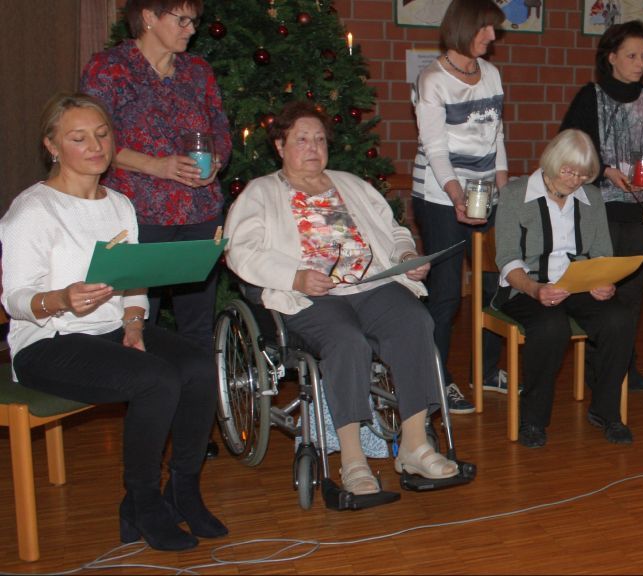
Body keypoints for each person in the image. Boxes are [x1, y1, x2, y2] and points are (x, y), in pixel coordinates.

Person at [0, 93, 225, 551]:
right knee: (157, 380)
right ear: (52, 147)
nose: (95, 146)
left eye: (102, 135)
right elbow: (16, 299)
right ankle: (141, 503)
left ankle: (183, 489)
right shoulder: (32, 210)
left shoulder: (120, 203)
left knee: (200, 366)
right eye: (79, 138)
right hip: (48, 341)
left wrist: (135, 323)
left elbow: (133, 280)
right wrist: (60, 298)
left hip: (109, 331)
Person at [224, 101, 459, 496]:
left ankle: (415, 445)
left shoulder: (349, 184)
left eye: (319, 139)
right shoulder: (261, 193)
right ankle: (352, 459)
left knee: (415, 322)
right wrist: (294, 276)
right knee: (345, 341)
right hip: (312, 294)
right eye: (302, 139)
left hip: (371, 284)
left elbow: (394, 229)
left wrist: (404, 257)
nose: (313, 147)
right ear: (280, 146)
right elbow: (240, 251)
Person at [80, 0, 231, 347]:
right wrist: (157, 165)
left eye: (194, 21)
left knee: (196, 326)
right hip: (138, 214)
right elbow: (94, 140)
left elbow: (220, 128)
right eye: (181, 20)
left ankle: (198, 397)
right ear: (148, 17)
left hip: (200, 212)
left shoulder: (197, 71)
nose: (191, 29)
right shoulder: (109, 69)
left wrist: (215, 162)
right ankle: (152, 394)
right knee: (139, 321)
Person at [493, 129, 635, 448]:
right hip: (525, 286)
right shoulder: (516, 195)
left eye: (583, 174)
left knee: (619, 320)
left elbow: (601, 252)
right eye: (569, 171)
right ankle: (532, 419)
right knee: (550, 326)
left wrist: (603, 281)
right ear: (551, 162)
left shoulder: (591, 197)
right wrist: (534, 289)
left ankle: (606, 411)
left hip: (578, 284)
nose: (574, 180)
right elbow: (507, 258)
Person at [560, 19, 643, 391]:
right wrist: (605, 171)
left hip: (640, 208)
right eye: (632, 55)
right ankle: (599, 367)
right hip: (600, 208)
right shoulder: (589, 96)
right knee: (600, 287)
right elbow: (570, 152)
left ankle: (624, 362)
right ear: (611, 58)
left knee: (631, 289)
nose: (640, 63)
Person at [411, 0, 509, 413]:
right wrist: (457, 197)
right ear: (465, 27)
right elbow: (435, 149)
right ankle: (437, 379)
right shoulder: (432, 80)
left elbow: (497, 135)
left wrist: (505, 187)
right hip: (439, 196)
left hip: (487, 192)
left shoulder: (491, 74)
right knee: (448, 293)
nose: (493, 36)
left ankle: (486, 371)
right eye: (486, 28)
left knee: (497, 283)